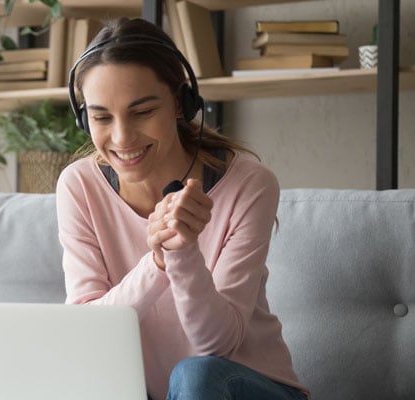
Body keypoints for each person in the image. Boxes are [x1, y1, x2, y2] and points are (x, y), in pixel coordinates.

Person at [55, 17, 310, 400]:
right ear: (83, 116)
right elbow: (88, 332)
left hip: (242, 387)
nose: (122, 137)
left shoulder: (249, 184)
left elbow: (217, 343)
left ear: (180, 102)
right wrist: (155, 262)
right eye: (101, 116)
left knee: (196, 376)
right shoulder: (79, 186)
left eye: (142, 112)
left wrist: (182, 253)